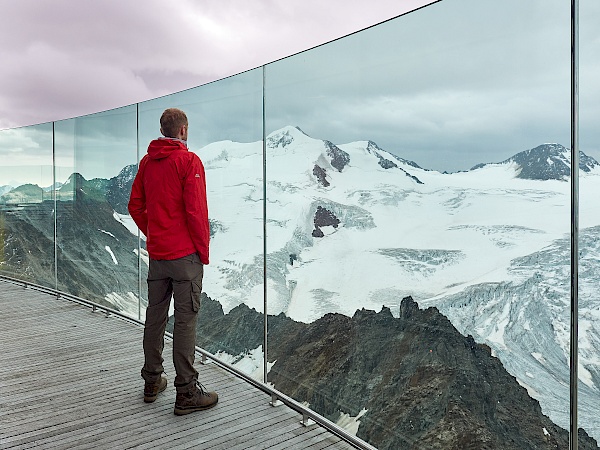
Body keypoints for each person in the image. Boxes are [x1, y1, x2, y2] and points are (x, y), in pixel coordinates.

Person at [128, 107, 218, 415]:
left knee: (155, 317)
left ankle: (152, 381)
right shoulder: (189, 161)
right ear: (182, 131)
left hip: (158, 254)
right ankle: (187, 392)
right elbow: (195, 211)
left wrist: (153, 232)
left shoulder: (147, 162)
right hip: (184, 257)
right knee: (185, 322)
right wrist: (202, 252)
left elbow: (135, 204)